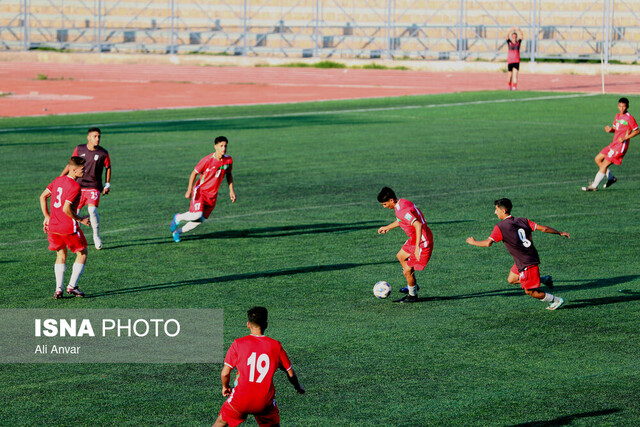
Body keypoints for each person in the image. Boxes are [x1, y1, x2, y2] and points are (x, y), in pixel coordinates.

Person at [466, 198, 569, 310]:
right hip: (526, 258)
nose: (495, 212)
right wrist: (559, 232)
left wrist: (474, 242)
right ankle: (544, 279)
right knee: (511, 279)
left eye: (496, 209)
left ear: (504, 210)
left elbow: (488, 243)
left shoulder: (500, 227)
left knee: (530, 291)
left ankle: (556, 300)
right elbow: (543, 228)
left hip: (526, 262)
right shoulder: (523, 220)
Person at [213, 306, 305, 427]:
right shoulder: (275, 346)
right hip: (264, 402)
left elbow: (225, 373)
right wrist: (298, 387)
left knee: (220, 423)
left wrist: (225, 386)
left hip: (240, 399)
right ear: (266, 325)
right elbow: (290, 373)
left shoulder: (238, 343)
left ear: (248, 324)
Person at [40, 156, 91, 299]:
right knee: (83, 252)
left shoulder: (58, 180)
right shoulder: (75, 186)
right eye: (83, 169)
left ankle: (58, 289)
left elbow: (42, 196)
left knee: (60, 256)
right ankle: (72, 286)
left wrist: (47, 217)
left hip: (53, 227)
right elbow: (66, 209)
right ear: (73, 169)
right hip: (67, 227)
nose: (85, 171)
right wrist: (81, 219)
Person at [170, 136, 236, 242]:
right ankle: (178, 217)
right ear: (215, 147)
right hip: (201, 191)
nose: (224, 148)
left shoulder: (228, 160)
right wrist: (189, 190)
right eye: (221, 146)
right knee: (196, 214)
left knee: (199, 220)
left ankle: (177, 233)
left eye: (225, 146)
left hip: (212, 195)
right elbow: (194, 174)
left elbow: (229, 175)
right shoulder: (207, 160)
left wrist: (231, 190)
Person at [377, 187, 434, 303]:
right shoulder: (402, 202)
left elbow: (418, 225)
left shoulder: (402, 210)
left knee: (407, 270)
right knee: (401, 256)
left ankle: (412, 295)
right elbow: (402, 220)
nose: (384, 206)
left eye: (384, 204)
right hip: (414, 238)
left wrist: (417, 247)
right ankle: (412, 284)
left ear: (391, 200)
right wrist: (387, 227)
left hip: (423, 241)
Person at [61, 127, 111, 250]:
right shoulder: (79, 149)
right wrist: (61, 177)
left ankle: (96, 236)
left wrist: (107, 184)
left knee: (92, 211)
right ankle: (76, 237)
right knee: (75, 213)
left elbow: (108, 167)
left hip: (94, 186)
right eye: (95, 136)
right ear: (88, 137)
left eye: (99, 136)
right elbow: (71, 165)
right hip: (78, 186)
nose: (97, 139)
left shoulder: (103, 153)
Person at [582, 97, 639, 191]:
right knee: (598, 159)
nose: (622, 108)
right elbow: (616, 128)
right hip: (614, 144)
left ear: (627, 107)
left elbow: (637, 131)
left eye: (624, 106)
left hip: (620, 147)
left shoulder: (630, 118)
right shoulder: (617, 116)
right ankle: (611, 178)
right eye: (620, 106)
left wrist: (625, 137)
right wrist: (610, 130)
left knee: (604, 164)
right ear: (618, 106)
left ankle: (594, 186)